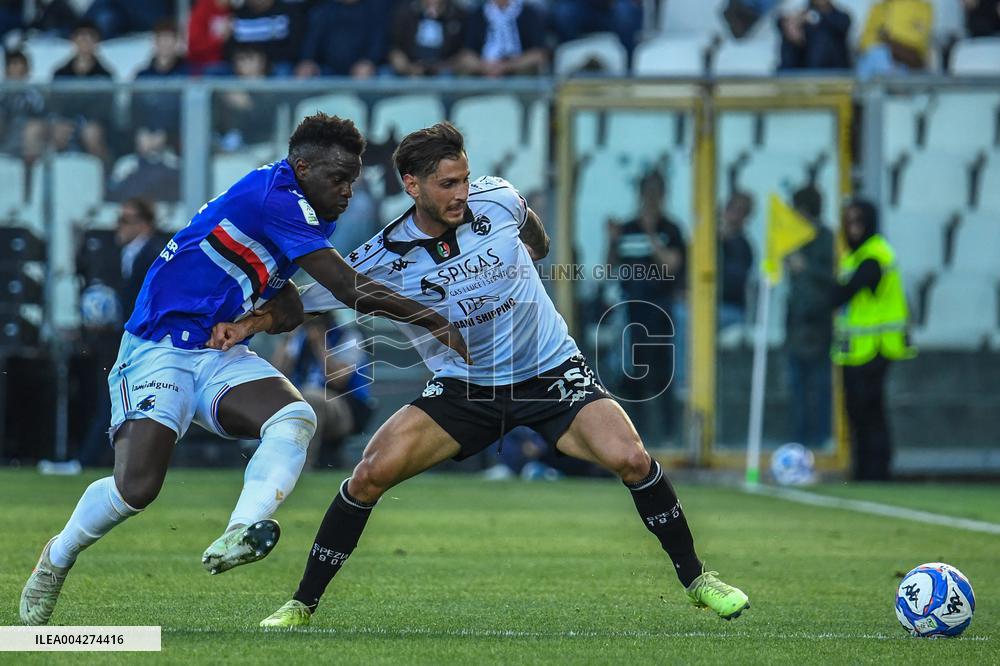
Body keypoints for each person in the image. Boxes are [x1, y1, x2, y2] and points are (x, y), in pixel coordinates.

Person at [210, 122, 749, 628]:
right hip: (464, 389)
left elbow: (534, 233)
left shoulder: (498, 197)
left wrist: (535, 250)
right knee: (369, 475)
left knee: (632, 458)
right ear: (412, 185)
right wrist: (249, 323)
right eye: (447, 184)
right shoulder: (384, 257)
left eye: (464, 179)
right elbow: (305, 301)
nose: (461, 193)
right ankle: (301, 604)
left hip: (550, 371)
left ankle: (698, 579)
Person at [18, 113, 469, 626]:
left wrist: (260, 317)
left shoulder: (308, 208)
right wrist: (431, 318)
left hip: (217, 349)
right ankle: (56, 556)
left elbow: (291, 303)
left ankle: (241, 529)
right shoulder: (278, 199)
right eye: (338, 178)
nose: (347, 190)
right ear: (302, 168)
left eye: (353, 179)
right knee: (136, 489)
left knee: (294, 417)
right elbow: (345, 287)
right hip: (160, 347)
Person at [75, 198, 169, 469]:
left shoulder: (153, 254)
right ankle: (101, 459)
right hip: (121, 339)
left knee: (119, 400)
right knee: (115, 400)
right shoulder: (125, 254)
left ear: (145, 225)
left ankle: (90, 461)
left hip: (141, 342)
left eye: (125, 220)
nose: (119, 226)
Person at [830, 199, 916, 481]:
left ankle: (875, 470)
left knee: (868, 410)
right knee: (862, 411)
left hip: (874, 347)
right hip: (861, 347)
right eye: (848, 222)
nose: (852, 228)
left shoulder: (873, 256)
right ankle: (866, 469)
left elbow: (846, 292)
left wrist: (814, 280)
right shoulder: (858, 255)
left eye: (858, 221)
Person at [606, 170, 687, 443]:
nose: (651, 200)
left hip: (661, 310)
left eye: (656, 194)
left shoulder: (671, 229)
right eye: (647, 193)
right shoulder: (627, 228)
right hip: (631, 309)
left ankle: (668, 433)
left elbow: (671, 265)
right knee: (632, 372)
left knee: (664, 372)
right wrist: (612, 240)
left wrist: (652, 234)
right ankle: (637, 433)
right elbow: (610, 267)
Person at [271, 312, 375, 469]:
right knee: (279, 396)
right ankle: (269, 462)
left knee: (310, 398)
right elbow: (276, 374)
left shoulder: (349, 337)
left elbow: (338, 379)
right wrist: (288, 338)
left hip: (344, 407)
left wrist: (320, 344)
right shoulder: (299, 338)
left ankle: (300, 468)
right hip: (299, 398)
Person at [784, 185, 833, 448]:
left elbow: (834, 277)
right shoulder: (794, 238)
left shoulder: (827, 238)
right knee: (797, 387)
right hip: (796, 320)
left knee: (820, 385)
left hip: (819, 321)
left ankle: (822, 438)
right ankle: (799, 439)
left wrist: (806, 267)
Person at [51, 20, 113, 164]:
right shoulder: (60, 73)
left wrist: (86, 120)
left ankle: (102, 174)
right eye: (81, 37)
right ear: (73, 40)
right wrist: (67, 120)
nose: (85, 41)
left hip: (94, 123)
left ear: (97, 42)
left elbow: (106, 108)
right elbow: (55, 103)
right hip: (67, 120)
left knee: (91, 134)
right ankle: (56, 174)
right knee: (58, 132)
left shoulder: (105, 75)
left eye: (90, 37)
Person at [297, 0, 394, 79]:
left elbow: (378, 43)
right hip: (327, 70)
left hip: (365, 71)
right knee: (304, 72)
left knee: (385, 75)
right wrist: (308, 61)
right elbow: (312, 42)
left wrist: (369, 61)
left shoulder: (375, 11)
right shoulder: (324, 11)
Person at [455, 0, 548, 77]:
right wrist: (485, 67)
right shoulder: (477, 14)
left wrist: (506, 66)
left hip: (518, 72)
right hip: (484, 72)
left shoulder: (529, 13)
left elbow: (539, 54)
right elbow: (466, 54)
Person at [388, 0, 467, 77]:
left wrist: (445, 67)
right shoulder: (405, 12)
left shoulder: (458, 14)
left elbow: (465, 52)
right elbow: (394, 47)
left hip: (446, 70)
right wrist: (406, 66)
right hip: (410, 69)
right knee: (387, 75)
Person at [856, 0, 933, 79]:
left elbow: (918, 40)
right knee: (877, 55)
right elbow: (865, 40)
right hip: (881, 57)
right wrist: (886, 43)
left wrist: (889, 40)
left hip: (907, 62)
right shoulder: (878, 8)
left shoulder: (921, 7)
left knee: (878, 57)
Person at [227, 0, 305, 77]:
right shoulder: (237, 14)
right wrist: (243, 61)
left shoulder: (287, 11)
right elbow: (231, 47)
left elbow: (295, 46)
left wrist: (262, 63)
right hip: (244, 65)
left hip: (277, 65)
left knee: (283, 70)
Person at [0, 49, 46, 172]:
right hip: (5, 140)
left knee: (34, 129)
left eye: (20, 65)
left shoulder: (35, 95)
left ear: (26, 70)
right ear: (7, 69)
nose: (17, 69)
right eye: (13, 65)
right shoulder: (2, 93)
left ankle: (30, 173)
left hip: (28, 146)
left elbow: (41, 116)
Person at [778, 0, 852, 71]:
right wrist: (793, 29)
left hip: (836, 69)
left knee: (823, 37)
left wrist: (814, 17)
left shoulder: (841, 17)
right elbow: (781, 21)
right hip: (805, 68)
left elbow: (841, 25)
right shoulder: (802, 15)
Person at [550, 0, 643, 55]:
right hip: (578, 5)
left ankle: (628, 66)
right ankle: (572, 60)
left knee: (626, 15)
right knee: (563, 14)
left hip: (612, 6)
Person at [718, 191, 755, 330]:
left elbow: (732, 284)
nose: (734, 215)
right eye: (731, 208)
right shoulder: (707, 240)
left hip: (729, 308)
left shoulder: (744, 247)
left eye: (741, 211)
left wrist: (726, 242)